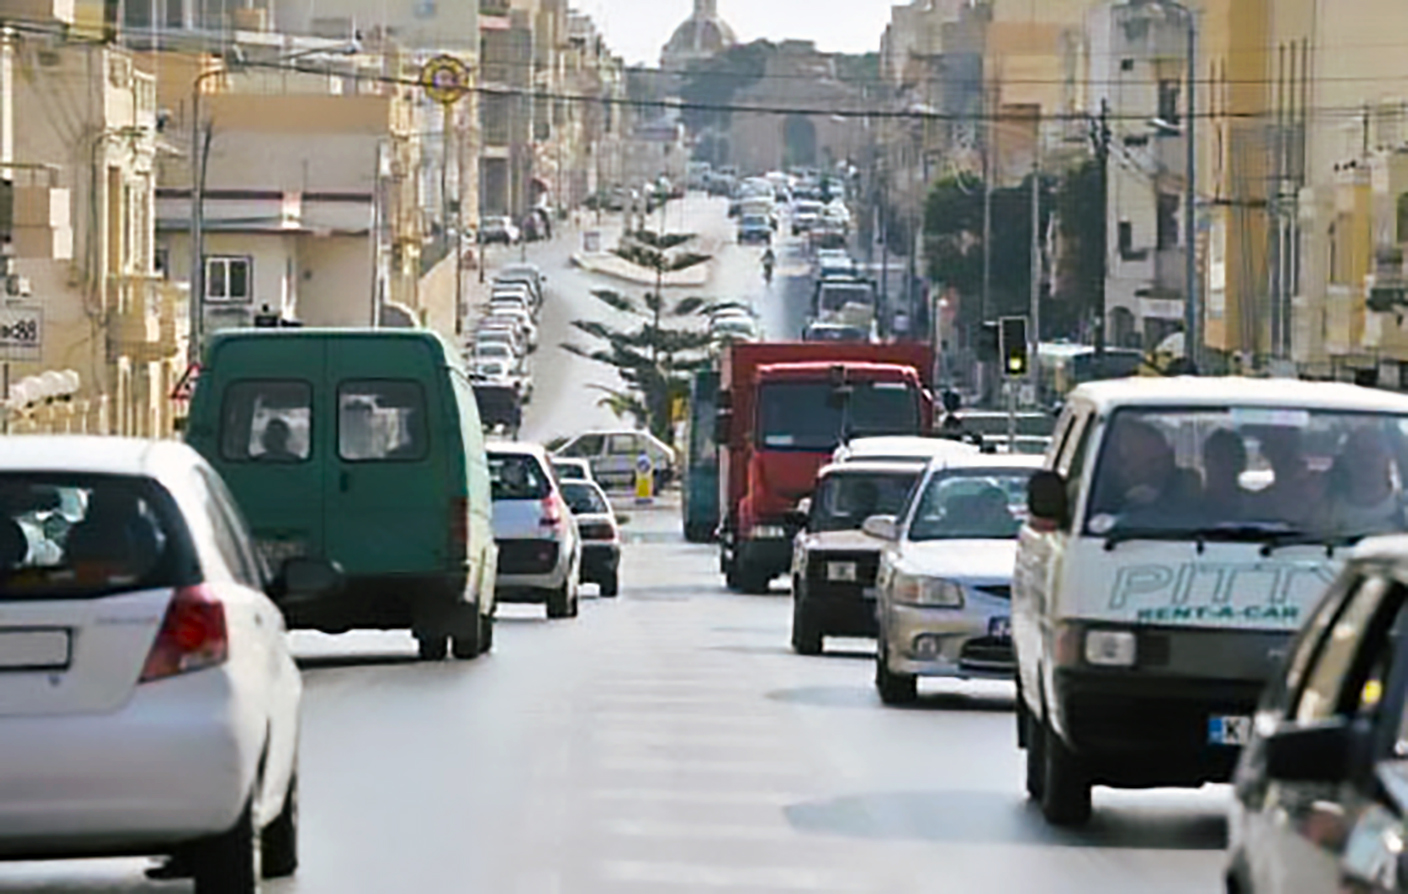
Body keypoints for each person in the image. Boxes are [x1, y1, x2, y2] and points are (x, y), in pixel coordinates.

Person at [1324, 427, 1406, 535]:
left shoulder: (1404, 513)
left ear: (1388, 458)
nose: (1366, 460)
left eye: (1374, 452)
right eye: (1358, 453)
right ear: (1345, 459)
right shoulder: (1324, 515)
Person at [1201, 429, 1249, 521]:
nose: (1224, 466)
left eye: (1231, 459)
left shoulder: (1258, 510)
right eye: (1218, 458)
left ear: (1242, 464)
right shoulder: (1190, 511)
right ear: (1205, 462)